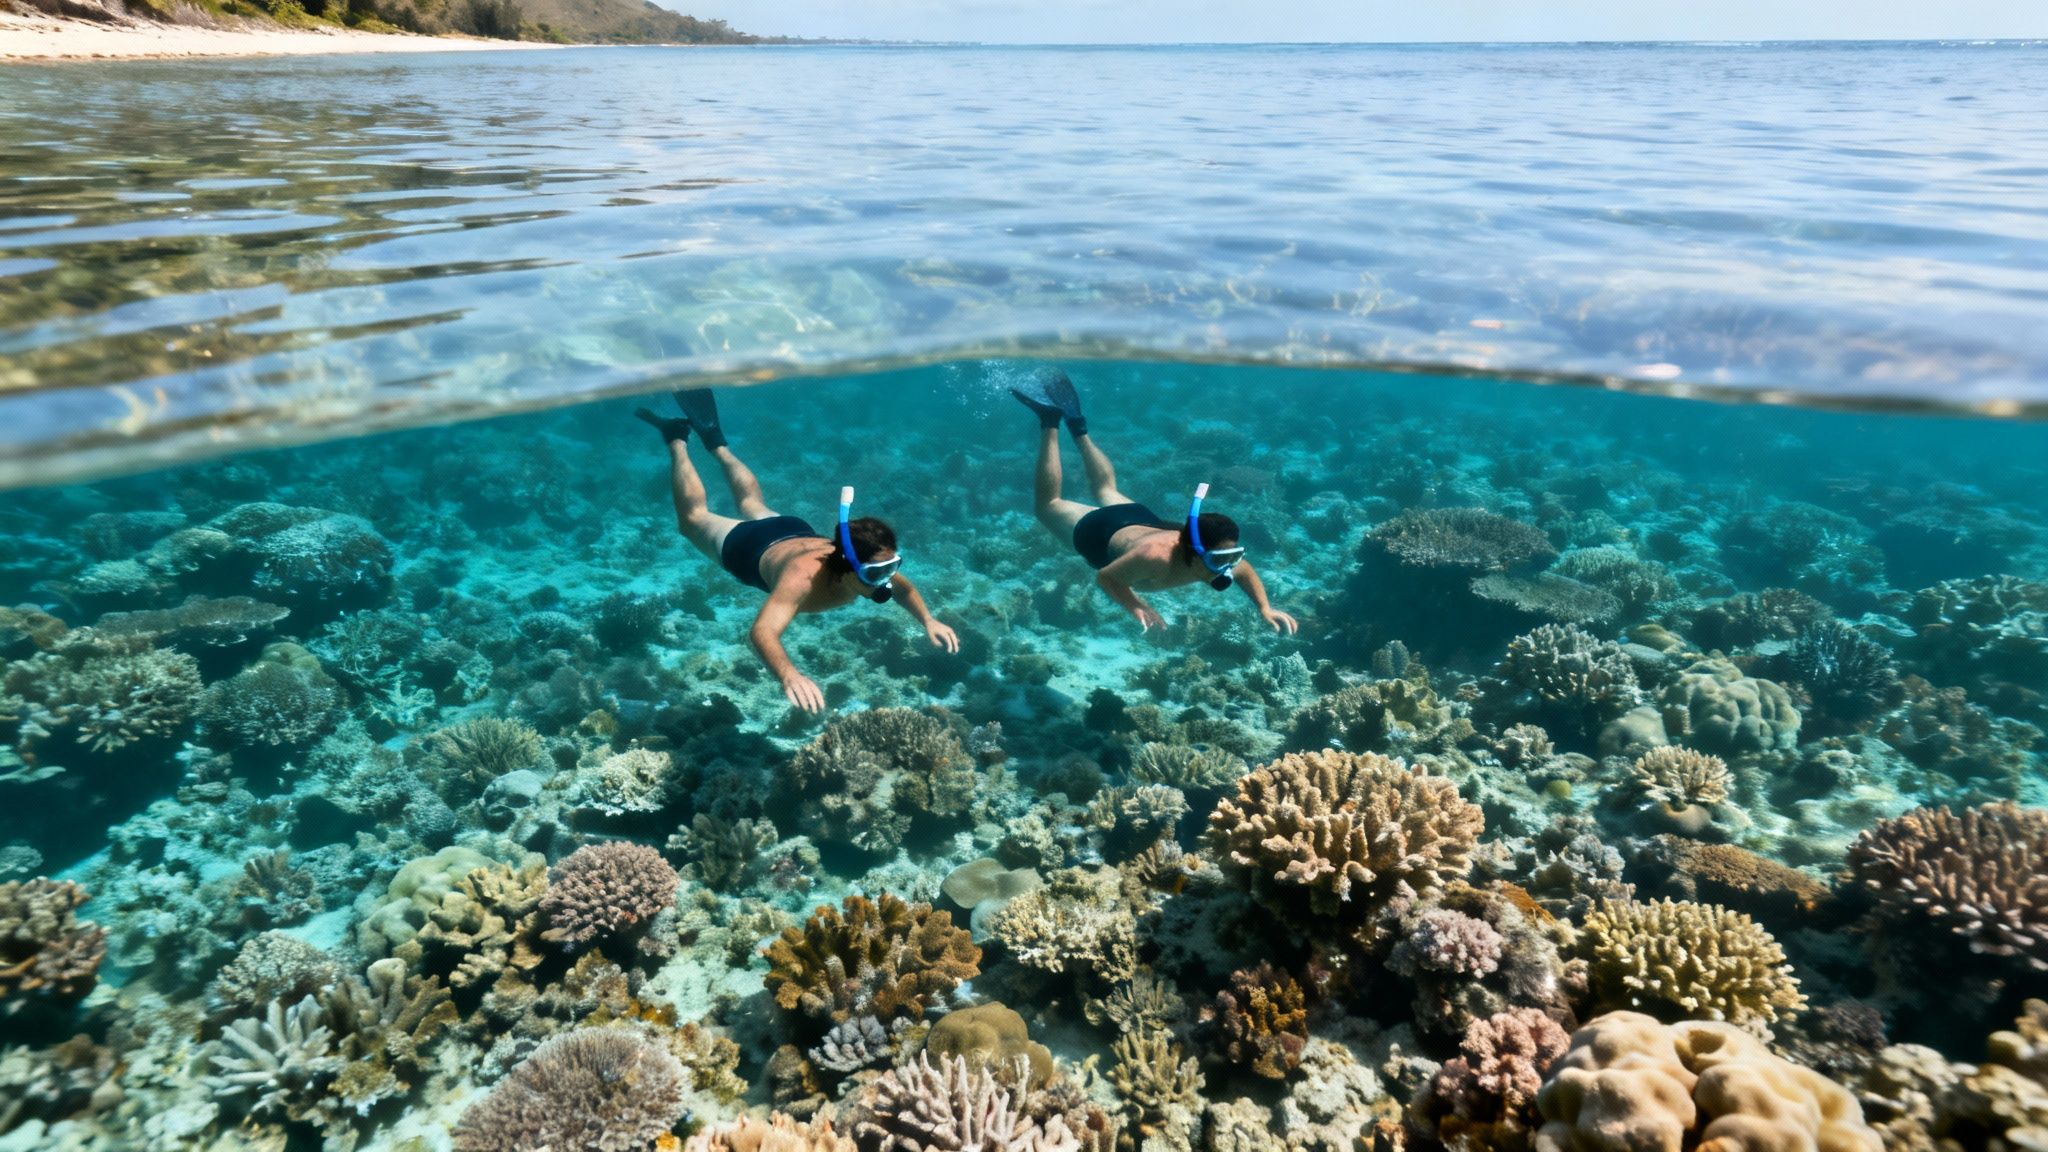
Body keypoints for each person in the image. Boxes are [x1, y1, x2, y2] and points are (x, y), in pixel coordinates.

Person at [635, 390, 958, 713]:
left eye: (892, 565)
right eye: (877, 573)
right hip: (752, 546)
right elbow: (762, 631)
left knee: (751, 503)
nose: (888, 579)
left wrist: (928, 620)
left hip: (793, 530)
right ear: (846, 566)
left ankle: (717, 443)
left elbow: (905, 590)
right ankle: (677, 438)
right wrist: (789, 675)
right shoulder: (801, 580)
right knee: (693, 520)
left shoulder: (870, 562)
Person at [1011, 368, 1298, 636]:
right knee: (1048, 504)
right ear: (1196, 551)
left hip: (1140, 519)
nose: (1228, 568)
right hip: (1101, 533)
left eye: (1232, 556)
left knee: (1105, 487)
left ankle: (1078, 426)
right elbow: (1106, 578)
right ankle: (1050, 421)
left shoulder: (1215, 558)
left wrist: (1264, 607)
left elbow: (1246, 571)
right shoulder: (1154, 558)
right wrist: (1135, 605)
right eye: (1221, 559)